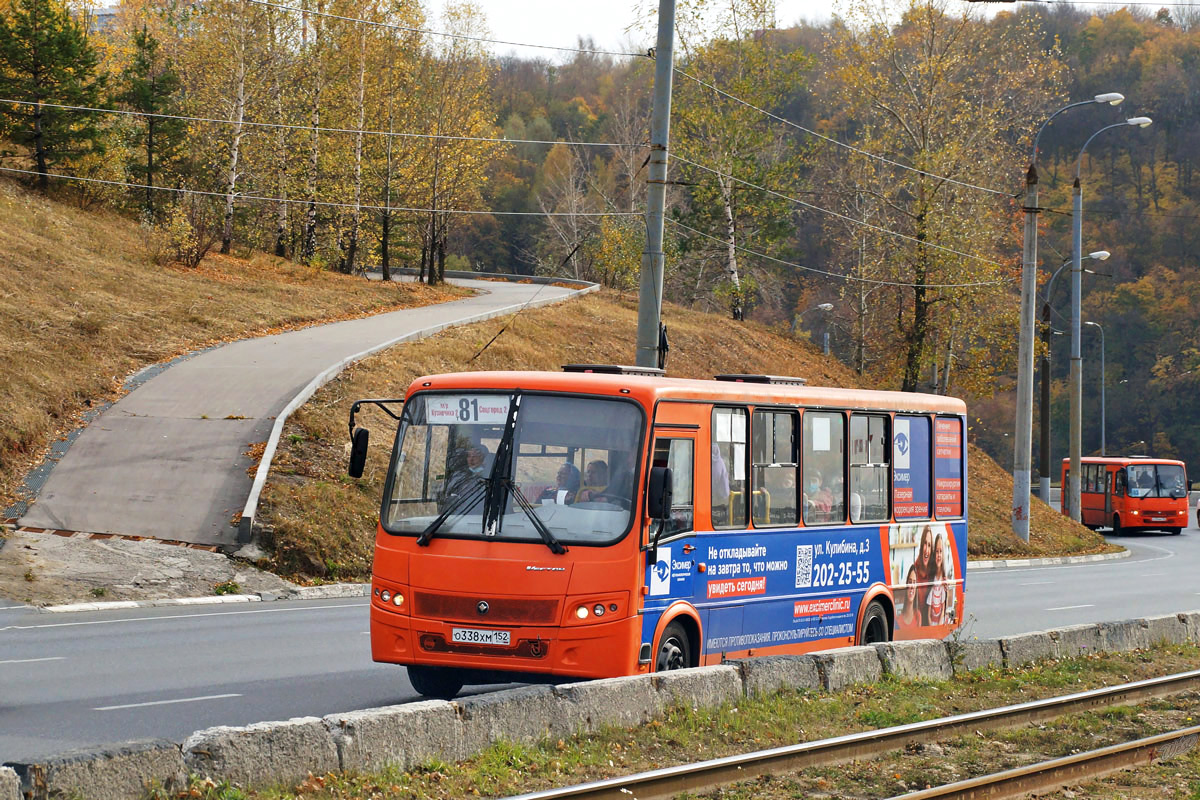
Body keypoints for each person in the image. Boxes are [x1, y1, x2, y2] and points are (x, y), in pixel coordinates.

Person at [926, 532, 950, 626]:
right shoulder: (931, 578)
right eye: (936, 551)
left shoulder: (945, 579)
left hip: (941, 622)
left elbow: (944, 608)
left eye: (941, 551)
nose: (939, 555)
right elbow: (928, 613)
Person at [913, 525, 935, 625]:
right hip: (916, 622)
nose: (927, 550)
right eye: (925, 544)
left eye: (929, 545)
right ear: (921, 546)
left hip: (929, 621)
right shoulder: (914, 570)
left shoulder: (934, 571)